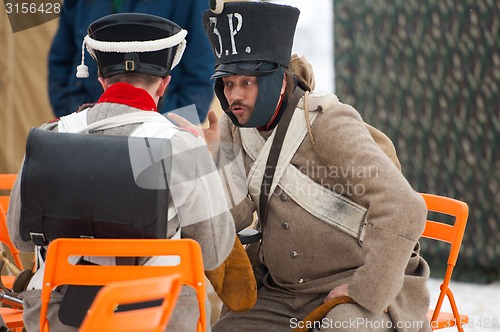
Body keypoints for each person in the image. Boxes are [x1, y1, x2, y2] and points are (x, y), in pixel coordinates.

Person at [184, 2, 432, 331]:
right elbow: (237, 217)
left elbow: (404, 208)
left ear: (279, 82)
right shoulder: (233, 128)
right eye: (228, 84)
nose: (235, 96)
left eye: (248, 82)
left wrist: (365, 290)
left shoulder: (326, 123)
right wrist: (217, 162)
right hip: (284, 292)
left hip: (353, 283)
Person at [7, 13, 236, 331]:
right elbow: (212, 253)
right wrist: (206, 162)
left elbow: (21, 238)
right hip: (159, 318)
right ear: (165, 83)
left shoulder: (50, 136)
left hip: (61, 320)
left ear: (101, 79)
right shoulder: (182, 146)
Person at [48, 0, 215, 123]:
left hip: (158, 130)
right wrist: (75, 115)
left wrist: (168, 126)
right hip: (88, 125)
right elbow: (60, 60)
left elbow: (202, 72)